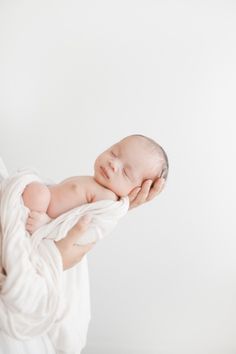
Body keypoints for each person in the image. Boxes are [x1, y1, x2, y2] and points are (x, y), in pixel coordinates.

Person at [22, 134, 169, 235]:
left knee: (38, 193)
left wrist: (48, 225)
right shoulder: (94, 182)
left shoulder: (106, 199)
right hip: (40, 208)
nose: (113, 163)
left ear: (137, 191)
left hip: (43, 219)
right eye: (114, 153)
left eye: (125, 172)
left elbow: (83, 230)